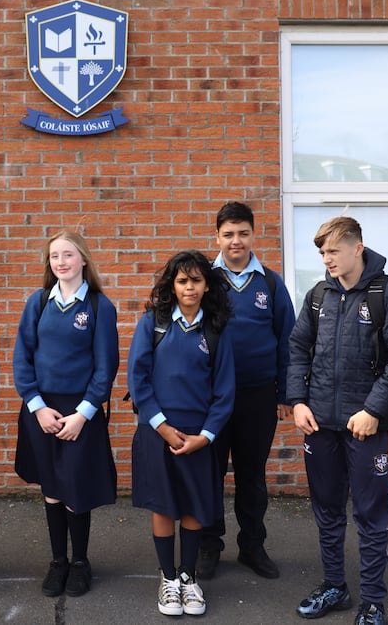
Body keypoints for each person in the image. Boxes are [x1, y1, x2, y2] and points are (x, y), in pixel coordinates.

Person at [286, 216, 388, 625]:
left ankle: (374, 600)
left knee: (371, 513)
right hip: (319, 423)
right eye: (322, 252)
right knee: (327, 509)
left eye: (333, 251)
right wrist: (297, 401)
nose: (326, 259)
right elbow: (298, 349)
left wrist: (374, 410)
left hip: (366, 427)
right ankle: (334, 586)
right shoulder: (317, 296)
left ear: (357, 247)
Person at [127, 250, 235, 617]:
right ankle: (168, 577)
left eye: (197, 281)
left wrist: (205, 436)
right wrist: (162, 427)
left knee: (193, 505)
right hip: (157, 431)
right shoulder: (153, 323)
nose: (190, 287)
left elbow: (225, 391)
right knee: (164, 505)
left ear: (207, 285)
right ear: (172, 286)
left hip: (198, 436)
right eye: (182, 281)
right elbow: (138, 379)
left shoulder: (215, 330)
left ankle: (189, 577)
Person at [13, 231, 119, 598]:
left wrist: (82, 414)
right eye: (55, 256)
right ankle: (58, 561)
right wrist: (37, 407)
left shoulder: (99, 307)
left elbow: (106, 368)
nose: (61, 262)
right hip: (42, 411)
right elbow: (22, 359)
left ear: (84, 260)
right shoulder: (38, 302)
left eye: (68, 255)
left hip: (80, 413)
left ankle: (80, 562)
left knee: (75, 489)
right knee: (52, 491)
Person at [197, 201, 296, 580]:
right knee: (210, 472)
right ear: (217, 237)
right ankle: (209, 545)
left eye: (243, 233)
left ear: (254, 235)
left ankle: (252, 545)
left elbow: (287, 339)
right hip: (211, 398)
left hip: (258, 395)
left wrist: (287, 393)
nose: (235, 241)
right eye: (228, 234)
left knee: (251, 476)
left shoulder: (269, 283)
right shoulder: (204, 280)